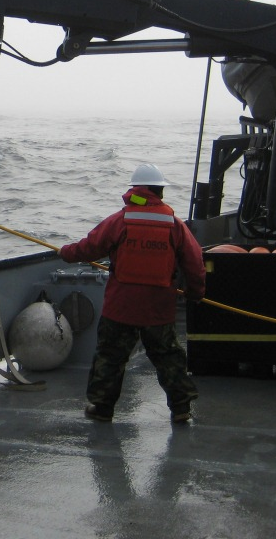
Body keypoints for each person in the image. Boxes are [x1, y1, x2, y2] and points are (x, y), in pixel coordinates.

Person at [58, 163, 206, 424]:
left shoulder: (120, 219)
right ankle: (181, 407)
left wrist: (65, 253)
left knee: (110, 357)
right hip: (158, 307)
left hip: (121, 305)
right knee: (168, 357)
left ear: (135, 190)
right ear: (159, 191)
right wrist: (195, 293)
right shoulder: (173, 223)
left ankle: (102, 408)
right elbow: (194, 262)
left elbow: (91, 246)